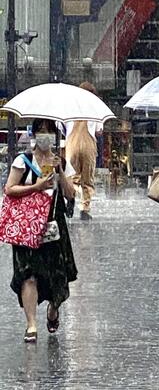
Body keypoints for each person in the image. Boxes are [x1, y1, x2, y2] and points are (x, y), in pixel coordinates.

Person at [4, 119, 77, 343]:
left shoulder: (60, 161)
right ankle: (31, 325)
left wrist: (60, 172)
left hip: (53, 226)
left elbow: (71, 194)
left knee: (58, 276)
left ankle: (53, 309)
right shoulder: (22, 160)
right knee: (29, 275)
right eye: (41, 131)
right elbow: (9, 189)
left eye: (49, 131)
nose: (45, 136)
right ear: (34, 134)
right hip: (27, 226)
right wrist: (36, 187)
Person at [63, 81, 102, 221]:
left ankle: (71, 198)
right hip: (88, 144)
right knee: (87, 178)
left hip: (71, 144)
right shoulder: (96, 108)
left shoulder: (68, 108)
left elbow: (60, 126)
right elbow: (99, 131)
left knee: (72, 176)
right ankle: (85, 208)